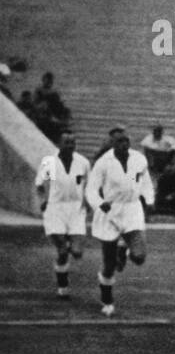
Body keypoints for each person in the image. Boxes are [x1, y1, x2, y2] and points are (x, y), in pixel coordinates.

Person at [85, 127, 154, 317]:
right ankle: (107, 300)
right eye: (119, 141)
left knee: (139, 257)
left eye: (126, 140)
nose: (124, 144)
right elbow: (91, 190)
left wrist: (149, 200)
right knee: (109, 265)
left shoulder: (139, 159)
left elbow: (145, 182)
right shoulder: (103, 163)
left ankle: (124, 247)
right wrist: (99, 203)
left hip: (132, 209)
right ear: (112, 143)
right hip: (110, 211)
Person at [34, 131, 91, 299]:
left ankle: (69, 248)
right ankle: (63, 286)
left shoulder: (83, 162)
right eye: (67, 142)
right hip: (55, 207)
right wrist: (43, 200)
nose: (70, 146)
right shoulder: (50, 162)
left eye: (73, 142)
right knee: (62, 251)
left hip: (76, 209)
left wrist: (88, 200)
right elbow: (39, 184)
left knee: (77, 252)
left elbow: (89, 183)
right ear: (59, 143)